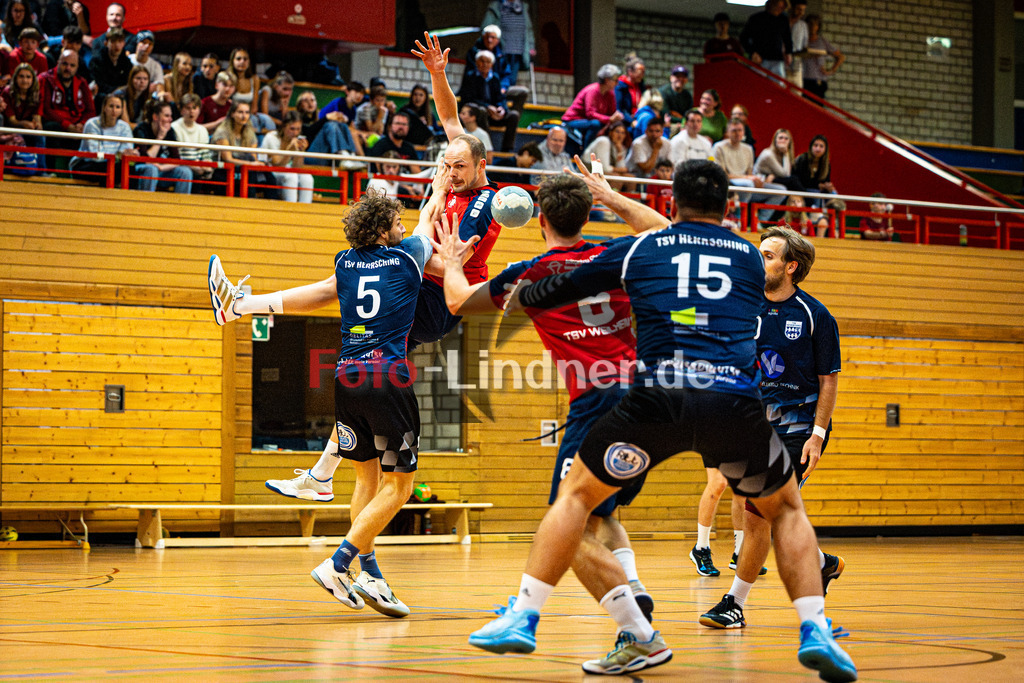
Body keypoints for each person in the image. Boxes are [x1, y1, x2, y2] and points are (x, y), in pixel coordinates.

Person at [470, 159, 857, 682]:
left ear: (673, 200)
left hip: (658, 399)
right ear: (728, 206)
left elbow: (578, 277)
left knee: (577, 499)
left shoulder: (645, 249)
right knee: (786, 511)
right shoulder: (749, 256)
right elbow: (679, 234)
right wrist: (614, 199)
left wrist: (529, 290)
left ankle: (525, 613)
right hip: (734, 402)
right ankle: (815, 628)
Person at [262, 33, 506, 504]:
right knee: (361, 363)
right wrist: (437, 73)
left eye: (458, 169)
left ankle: (322, 472)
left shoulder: (483, 206)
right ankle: (324, 473)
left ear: (479, 166)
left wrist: (407, 253)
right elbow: (450, 116)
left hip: (438, 301)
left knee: (355, 320)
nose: (448, 173)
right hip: (420, 286)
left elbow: (446, 267)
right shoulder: (458, 160)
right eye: (446, 164)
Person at [433, 171, 655, 624]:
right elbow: (662, 232)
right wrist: (612, 195)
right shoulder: (619, 254)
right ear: (589, 211)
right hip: (648, 400)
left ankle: (620, 621)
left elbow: (457, 302)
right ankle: (630, 584)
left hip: (598, 400)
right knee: (596, 507)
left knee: (566, 521)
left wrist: (453, 261)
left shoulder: (530, 273)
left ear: (540, 221)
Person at [208, 187, 441, 619]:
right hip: (387, 379)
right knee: (401, 486)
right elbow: (430, 218)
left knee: (367, 483)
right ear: (383, 230)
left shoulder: (346, 262)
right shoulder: (408, 255)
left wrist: (246, 305)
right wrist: (442, 180)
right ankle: (338, 564)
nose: (403, 227)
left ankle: (369, 571)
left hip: (346, 378)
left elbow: (314, 295)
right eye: (396, 222)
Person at [700, 225, 845, 630]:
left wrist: (817, 435)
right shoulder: (744, 304)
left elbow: (828, 379)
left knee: (756, 514)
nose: (758, 259)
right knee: (773, 514)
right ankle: (823, 564)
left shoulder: (816, 316)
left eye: (767, 254)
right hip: (754, 423)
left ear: (790, 266)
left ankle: (733, 603)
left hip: (800, 425)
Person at [712, 117, 786, 222]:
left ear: (744, 132)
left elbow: (750, 173)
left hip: (747, 186)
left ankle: (761, 221)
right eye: (734, 130)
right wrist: (749, 178)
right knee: (748, 184)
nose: (737, 133)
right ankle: (739, 220)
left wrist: (757, 180)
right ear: (727, 132)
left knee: (781, 190)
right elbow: (722, 175)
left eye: (740, 130)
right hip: (729, 186)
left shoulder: (748, 149)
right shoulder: (718, 147)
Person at [211, 100, 281, 200]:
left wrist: (256, 163)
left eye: (247, 112)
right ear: (232, 114)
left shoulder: (249, 132)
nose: (244, 116)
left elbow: (253, 157)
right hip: (224, 169)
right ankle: (249, 200)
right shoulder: (222, 132)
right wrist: (250, 164)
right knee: (249, 172)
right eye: (240, 112)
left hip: (243, 168)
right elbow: (228, 159)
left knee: (269, 177)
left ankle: (271, 206)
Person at [457, 48, 520, 152]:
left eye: (488, 62)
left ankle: (507, 149)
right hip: (479, 114)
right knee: (481, 111)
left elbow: (500, 98)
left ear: (492, 64)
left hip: (494, 114)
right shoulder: (470, 76)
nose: (485, 64)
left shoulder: (495, 77)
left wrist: (501, 108)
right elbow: (469, 99)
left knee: (513, 115)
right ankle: (486, 146)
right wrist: (487, 107)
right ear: (476, 63)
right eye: (482, 61)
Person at [68, 91, 137, 183]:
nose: (114, 110)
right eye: (111, 106)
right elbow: (96, 154)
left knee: (130, 169)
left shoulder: (125, 127)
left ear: (121, 110)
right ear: (104, 107)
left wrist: (123, 154)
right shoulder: (91, 124)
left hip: (112, 163)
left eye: (118, 107)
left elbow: (127, 149)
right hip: (87, 163)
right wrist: (117, 155)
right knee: (106, 169)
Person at [462, 24, 528, 114]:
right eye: (487, 37)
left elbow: (507, 74)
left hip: (498, 88)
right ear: (483, 38)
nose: (490, 40)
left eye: (493, 37)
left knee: (522, 92)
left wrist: (503, 87)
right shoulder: (474, 52)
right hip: (479, 89)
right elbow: (471, 74)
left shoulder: (502, 55)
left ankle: (506, 115)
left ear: (498, 40)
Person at [133, 98, 193, 194]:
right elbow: (145, 159)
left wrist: (162, 168)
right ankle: (144, 205)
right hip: (142, 169)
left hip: (161, 169)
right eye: (166, 116)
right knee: (151, 170)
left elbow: (176, 159)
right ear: (155, 117)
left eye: (171, 116)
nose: (170, 119)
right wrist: (160, 138)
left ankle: (181, 206)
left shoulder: (170, 131)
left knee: (185, 172)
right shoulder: (141, 130)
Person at [39, 48, 93, 149]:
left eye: (72, 65)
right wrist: (67, 125)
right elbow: (46, 110)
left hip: (77, 126)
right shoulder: (45, 79)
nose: (68, 68)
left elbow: (90, 110)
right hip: (57, 125)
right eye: (65, 64)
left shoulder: (82, 83)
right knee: (52, 127)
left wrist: (82, 124)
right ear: (58, 62)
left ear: (77, 67)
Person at [561, 63, 623, 151]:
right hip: (572, 120)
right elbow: (590, 114)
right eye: (615, 80)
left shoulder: (610, 94)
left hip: (589, 122)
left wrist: (616, 117)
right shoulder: (593, 90)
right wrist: (609, 119)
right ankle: (586, 152)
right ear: (607, 80)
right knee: (595, 124)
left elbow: (612, 113)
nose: (617, 83)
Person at [259, 109, 312, 203]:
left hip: (286, 173)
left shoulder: (298, 139)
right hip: (269, 173)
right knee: (291, 176)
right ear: (283, 127)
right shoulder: (272, 137)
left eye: (298, 129)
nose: (295, 133)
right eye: (292, 129)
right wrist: (290, 150)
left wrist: (300, 151)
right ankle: (290, 209)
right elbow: (277, 165)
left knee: (307, 178)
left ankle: (305, 211)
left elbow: (297, 167)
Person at [294, 89, 360, 162]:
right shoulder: (297, 120)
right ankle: (342, 154)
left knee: (341, 125)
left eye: (312, 100)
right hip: (307, 156)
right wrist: (327, 118)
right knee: (329, 125)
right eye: (306, 101)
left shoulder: (318, 120)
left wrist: (344, 120)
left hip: (323, 156)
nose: (310, 103)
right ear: (300, 104)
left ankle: (351, 154)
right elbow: (308, 131)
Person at [482, 0, 533, 90]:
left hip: (517, 50)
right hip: (500, 49)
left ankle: (504, 99)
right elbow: (486, 27)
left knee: (511, 80)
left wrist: (531, 46)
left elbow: (528, 30)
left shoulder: (523, 7)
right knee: (496, 77)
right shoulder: (497, 6)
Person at [739, 0, 792, 78]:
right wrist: (752, 52)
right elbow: (743, 38)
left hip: (776, 59)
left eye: (782, 8)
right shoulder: (756, 18)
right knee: (758, 84)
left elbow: (787, 38)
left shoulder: (783, 19)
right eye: (778, 7)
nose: (780, 10)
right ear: (771, 4)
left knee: (778, 85)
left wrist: (788, 52)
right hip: (759, 58)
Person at [171, 93, 213, 183]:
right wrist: (193, 166)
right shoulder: (174, 128)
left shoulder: (202, 130)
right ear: (181, 110)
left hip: (198, 166)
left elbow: (205, 155)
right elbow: (176, 156)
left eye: (194, 108)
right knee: (189, 173)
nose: (192, 112)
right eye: (188, 108)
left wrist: (206, 165)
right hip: (181, 166)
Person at [802, 15, 844, 102]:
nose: (812, 27)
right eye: (810, 24)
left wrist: (831, 70)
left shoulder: (822, 41)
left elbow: (840, 57)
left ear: (818, 27)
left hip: (818, 79)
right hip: (803, 78)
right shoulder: (802, 40)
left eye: (815, 25)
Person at [582, 119, 631, 189]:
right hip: (589, 171)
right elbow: (605, 168)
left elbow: (622, 168)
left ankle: (633, 199)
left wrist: (619, 152)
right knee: (617, 179)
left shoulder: (620, 146)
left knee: (630, 178)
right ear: (610, 132)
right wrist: (621, 170)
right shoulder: (604, 141)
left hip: (601, 173)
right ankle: (612, 199)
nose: (620, 135)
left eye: (623, 133)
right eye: (617, 132)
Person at [89, 25, 130, 102]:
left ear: (124, 43)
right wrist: (116, 90)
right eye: (113, 41)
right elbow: (98, 84)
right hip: (103, 96)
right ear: (106, 43)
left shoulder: (126, 61)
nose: (117, 45)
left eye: (120, 41)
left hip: (122, 95)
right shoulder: (97, 60)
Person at [793, 134, 836, 207]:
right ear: (811, 147)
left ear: (825, 149)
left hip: (818, 189)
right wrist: (819, 185)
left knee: (833, 193)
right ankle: (815, 216)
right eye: (815, 145)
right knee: (816, 194)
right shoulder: (803, 159)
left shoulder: (826, 164)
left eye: (821, 146)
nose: (818, 149)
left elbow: (826, 180)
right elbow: (801, 180)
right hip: (802, 189)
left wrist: (828, 186)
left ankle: (831, 217)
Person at [129, 30, 164, 100]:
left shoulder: (156, 65)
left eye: (150, 44)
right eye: (144, 42)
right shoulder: (128, 60)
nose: (147, 46)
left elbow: (159, 86)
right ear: (137, 43)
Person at [657, 65, 692, 135]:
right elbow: (666, 114)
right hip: (665, 126)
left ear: (686, 80)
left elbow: (689, 115)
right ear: (671, 78)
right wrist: (682, 120)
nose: (680, 79)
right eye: (677, 76)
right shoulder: (663, 92)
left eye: (683, 77)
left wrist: (682, 120)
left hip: (683, 126)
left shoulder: (687, 95)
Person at [614, 55, 645, 123]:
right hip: (625, 121)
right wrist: (631, 121)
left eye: (643, 72)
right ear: (630, 72)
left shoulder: (640, 86)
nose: (642, 75)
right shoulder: (620, 86)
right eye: (640, 72)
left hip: (638, 118)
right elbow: (619, 109)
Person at [786, 1, 809, 88]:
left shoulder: (803, 26)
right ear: (792, 8)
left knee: (797, 91)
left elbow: (804, 45)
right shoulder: (783, 22)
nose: (801, 13)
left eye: (803, 10)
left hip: (796, 66)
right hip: (782, 64)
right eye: (799, 9)